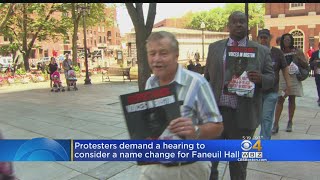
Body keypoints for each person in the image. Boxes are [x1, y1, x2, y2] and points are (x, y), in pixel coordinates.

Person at [141, 31, 223, 180]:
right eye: (152, 54)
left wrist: (195, 130)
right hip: (152, 168)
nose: (156, 59)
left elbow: (218, 126)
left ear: (176, 55)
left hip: (187, 169)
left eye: (163, 53)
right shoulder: (150, 83)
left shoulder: (197, 83)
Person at [204, 11, 274, 180]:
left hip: (244, 117)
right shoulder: (215, 48)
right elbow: (206, 79)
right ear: (228, 25)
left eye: (242, 21)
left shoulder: (261, 50)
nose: (238, 25)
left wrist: (261, 79)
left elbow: (272, 78)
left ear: (247, 25)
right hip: (216, 116)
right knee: (209, 163)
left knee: (239, 165)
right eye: (234, 22)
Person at [257, 29, 291, 140]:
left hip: (271, 91)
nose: (263, 40)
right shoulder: (254, 51)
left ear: (270, 38)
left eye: (265, 38)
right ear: (258, 39)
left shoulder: (277, 53)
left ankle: (264, 142)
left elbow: (285, 68)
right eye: (261, 38)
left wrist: (288, 86)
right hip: (256, 91)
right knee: (256, 119)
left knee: (266, 117)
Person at [272, 33, 309, 133]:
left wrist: (297, 64)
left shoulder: (297, 51)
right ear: (282, 41)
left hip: (294, 77)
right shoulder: (279, 52)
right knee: (280, 99)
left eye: (289, 40)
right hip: (282, 77)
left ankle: (290, 122)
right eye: (285, 40)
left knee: (292, 100)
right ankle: (275, 124)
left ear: (292, 41)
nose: (287, 41)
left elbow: (305, 64)